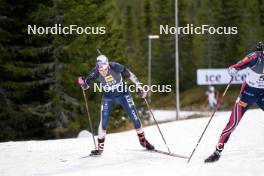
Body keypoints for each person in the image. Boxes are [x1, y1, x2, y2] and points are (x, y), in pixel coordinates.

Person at [78, 55, 155, 155]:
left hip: (123, 93)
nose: (103, 72)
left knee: (134, 117)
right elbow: (86, 85)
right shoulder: (95, 71)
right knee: (104, 122)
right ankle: (100, 148)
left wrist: (140, 87)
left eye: (105, 69)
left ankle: (143, 141)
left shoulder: (115, 66)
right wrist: (83, 83)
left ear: (107, 66)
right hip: (108, 96)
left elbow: (130, 75)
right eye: (101, 70)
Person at [205, 41, 264, 163]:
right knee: (232, 123)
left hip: (262, 94)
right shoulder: (254, 57)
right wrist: (233, 69)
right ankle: (217, 152)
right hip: (247, 95)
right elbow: (235, 66)